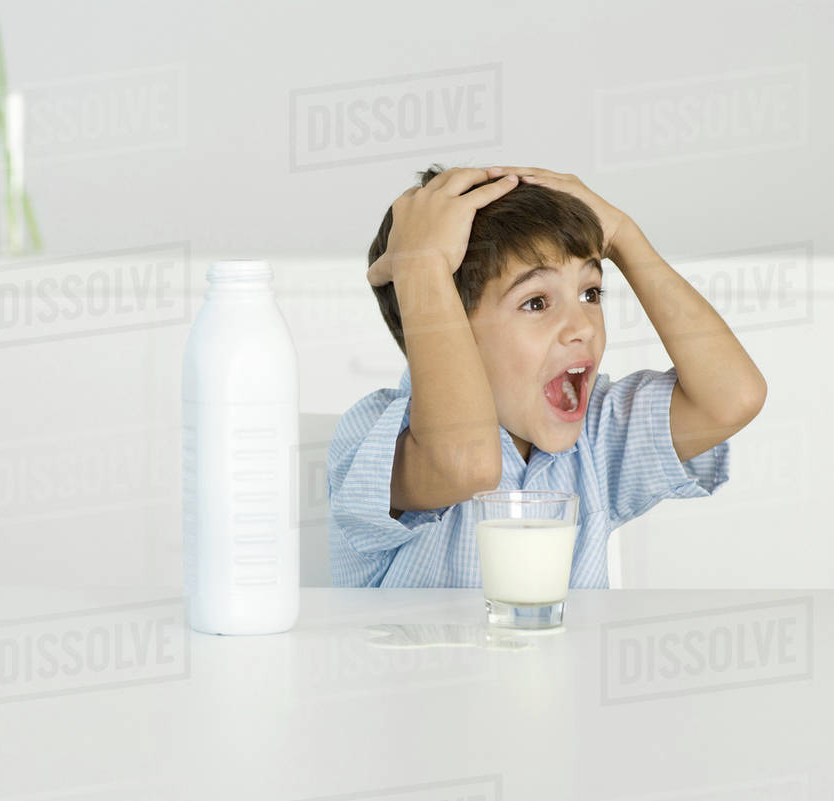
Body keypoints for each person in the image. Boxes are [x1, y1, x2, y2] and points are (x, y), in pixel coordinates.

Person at [327, 164, 767, 588]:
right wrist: (421, 266)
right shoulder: (372, 436)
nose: (582, 327)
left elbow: (732, 397)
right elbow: (466, 466)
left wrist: (623, 237)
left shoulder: (592, 440)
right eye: (536, 302)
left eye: (590, 293)